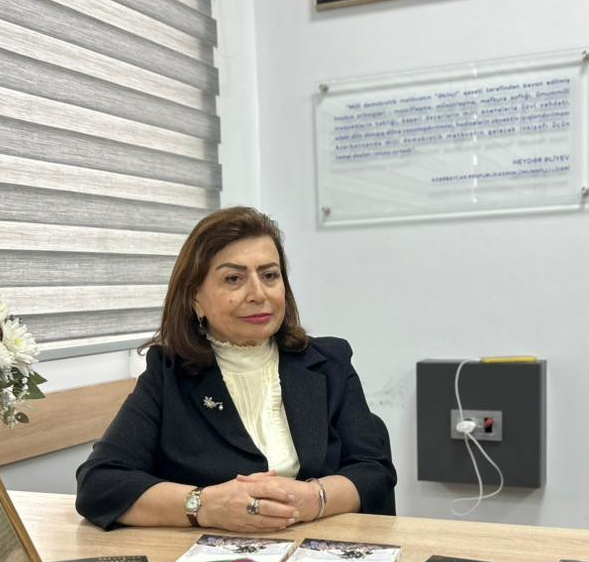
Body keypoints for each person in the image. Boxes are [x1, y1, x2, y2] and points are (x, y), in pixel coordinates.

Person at [75, 207, 396, 531]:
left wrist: (315, 498)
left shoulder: (329, 362)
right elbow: (100, 483)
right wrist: (204, 506)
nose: (258, 294)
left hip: (321, 550)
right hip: (211, 554)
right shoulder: (168, 372)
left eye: (269, 276)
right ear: (195, 298)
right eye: (233, 278)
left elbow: (374, 470)